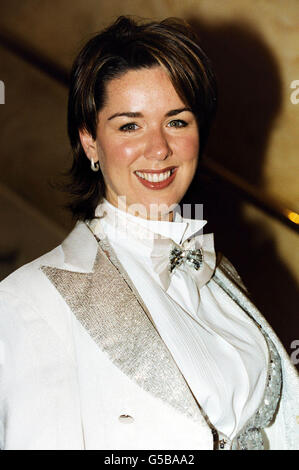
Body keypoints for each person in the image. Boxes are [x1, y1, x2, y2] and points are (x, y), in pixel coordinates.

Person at [0, 15, 298, 451]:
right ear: (89, 143)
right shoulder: (31, 299)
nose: (158, 149)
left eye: (177, 121)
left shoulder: (219, 273)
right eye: (130, 125)